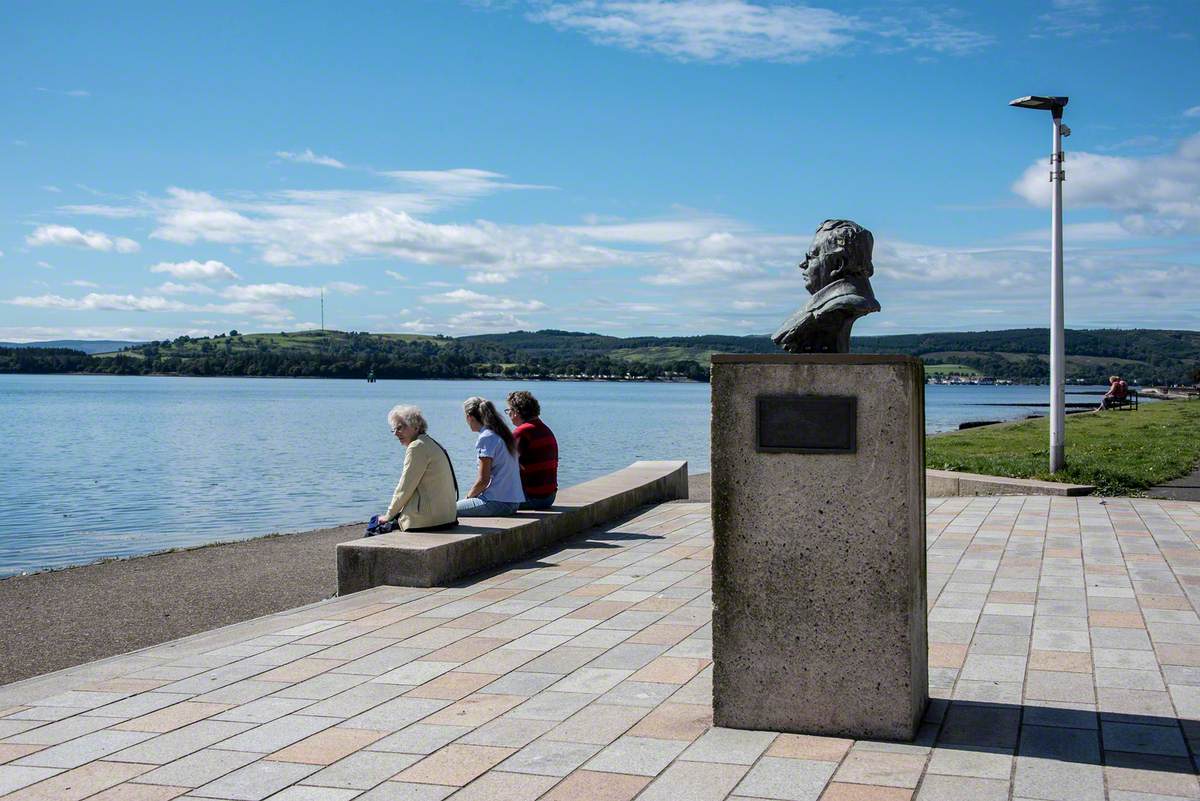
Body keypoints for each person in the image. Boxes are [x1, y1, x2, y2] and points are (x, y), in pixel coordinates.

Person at [378, 405, 458, 532]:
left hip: (428, 520)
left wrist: (389, 515)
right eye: (394, 429)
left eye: (400, 428)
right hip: (447, 517)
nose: (396, 433)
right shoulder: (430, 442)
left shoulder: (416, 447)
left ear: (415, 427)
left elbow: (405, 486)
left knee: (375, 527)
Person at [457, 396, 524, 517]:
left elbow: (483, 481)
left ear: (469, 417)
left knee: (445, 511)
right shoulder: (501, 433)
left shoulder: (486, 437)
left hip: (497, 502)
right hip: (513, 502)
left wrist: (467, 498)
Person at [506, 390, 559, 510]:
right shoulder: (545, 429)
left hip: (531, 498)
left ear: (516, 412)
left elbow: (504, 467)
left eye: (508, 411)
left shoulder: (521, 432)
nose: (508, 415)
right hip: (549, 497)